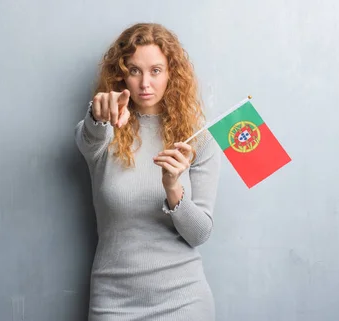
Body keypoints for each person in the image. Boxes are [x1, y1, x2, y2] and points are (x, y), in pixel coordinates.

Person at [74, 22, 222, 320]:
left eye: (156, 70)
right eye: (134, 70)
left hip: (183, 302)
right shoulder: (103, 132)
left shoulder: (199, 139)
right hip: (113, 302)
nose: (145, 83)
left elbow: (199, 234)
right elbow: (89, 135)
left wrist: (173, 188)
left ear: (171, 74)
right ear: (121, 75)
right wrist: (98, 114)